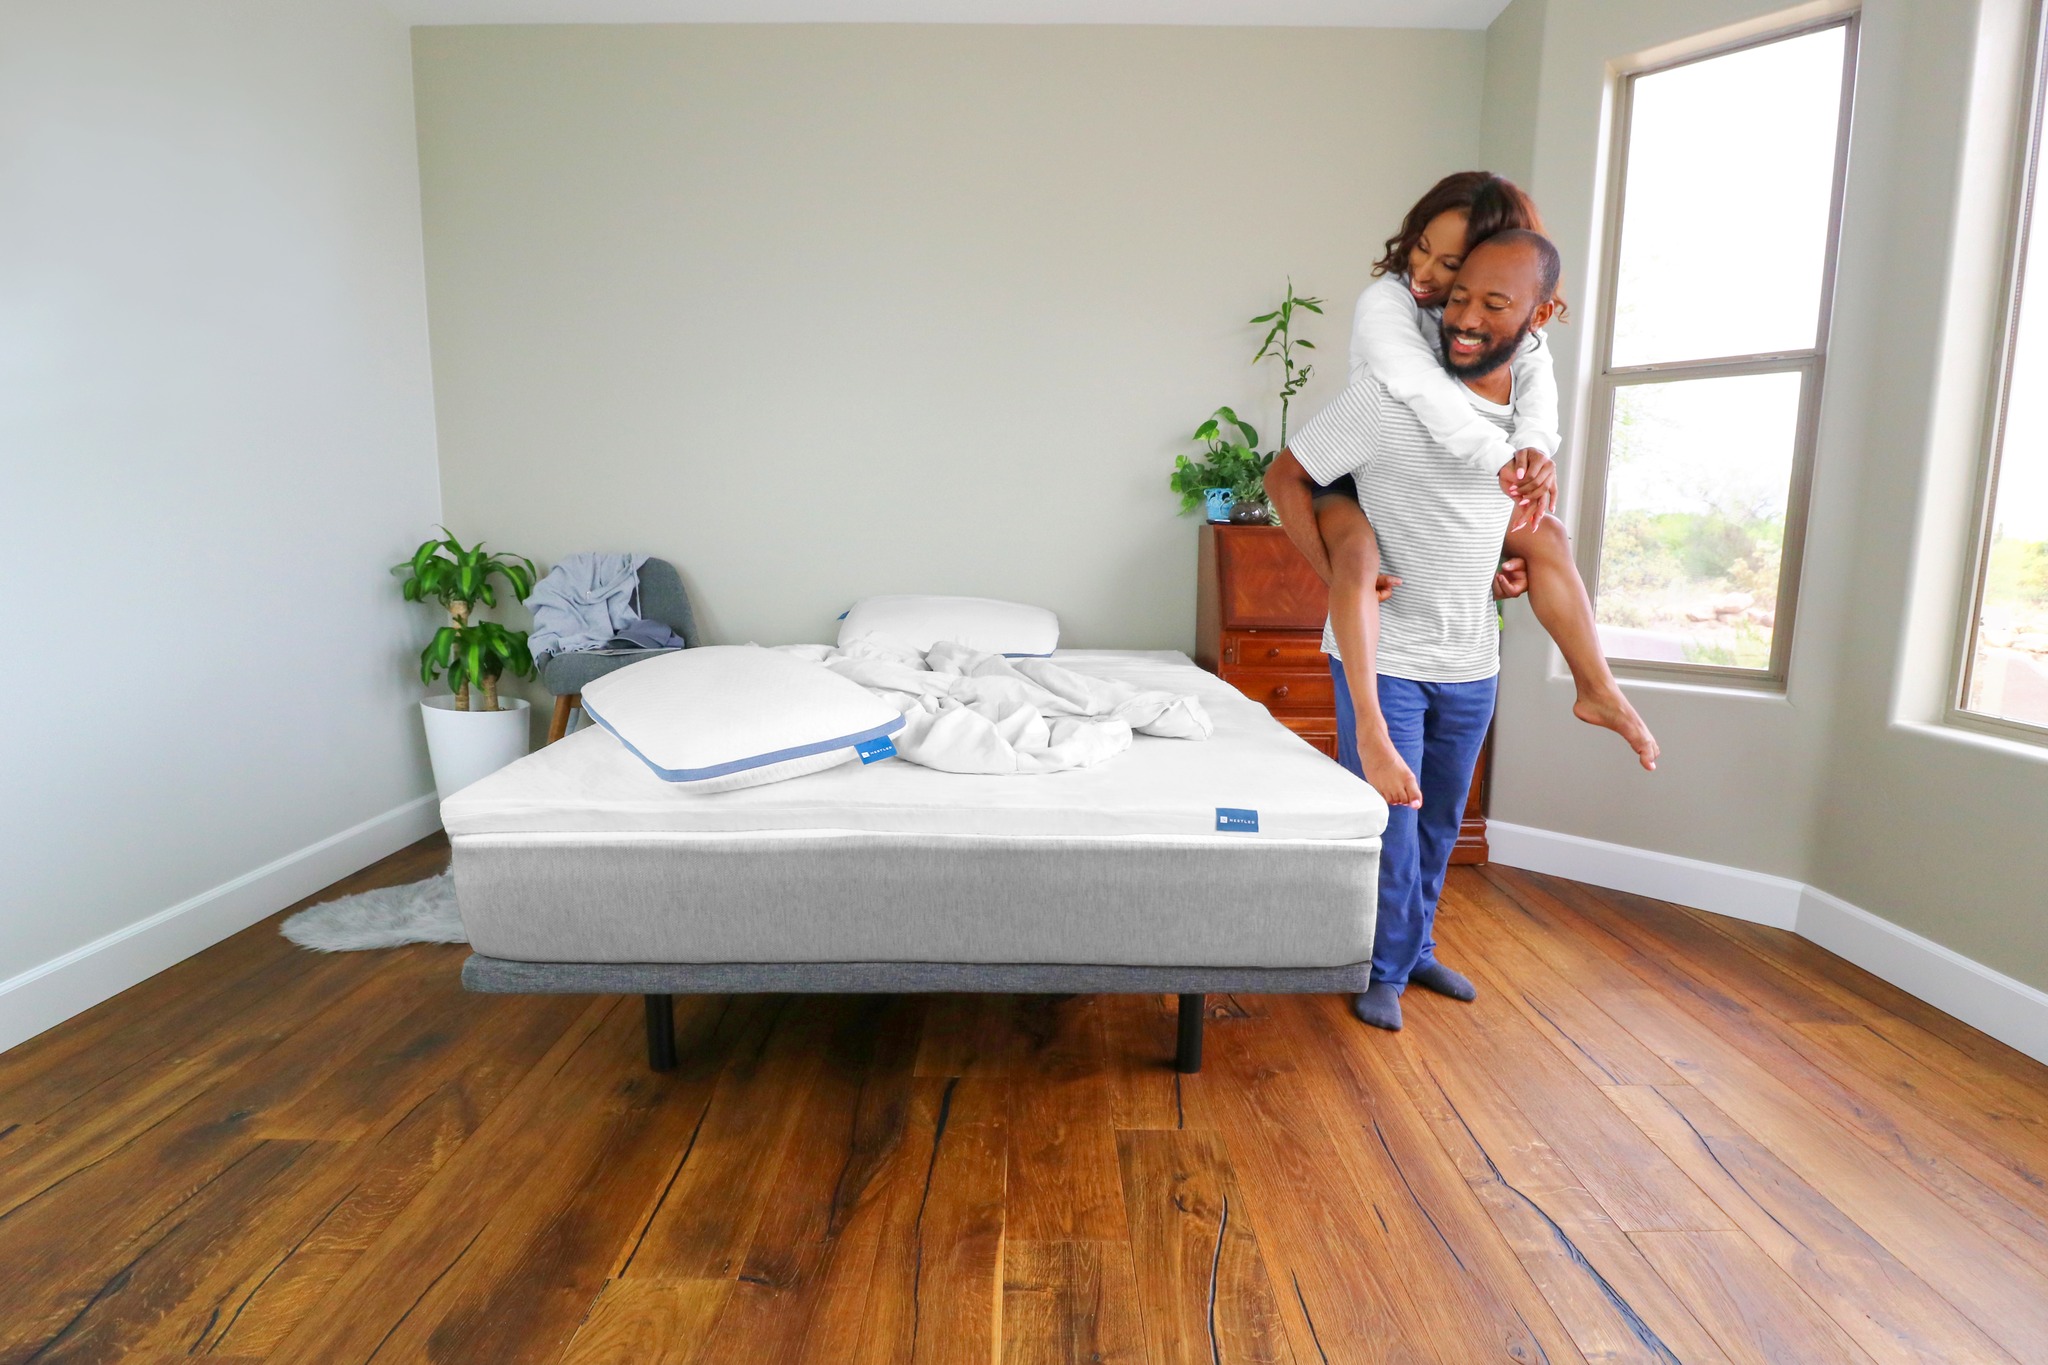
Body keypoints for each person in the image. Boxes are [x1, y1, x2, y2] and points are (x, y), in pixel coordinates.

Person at [1266, 229, 1568, 1031]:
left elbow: (1485, 526)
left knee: (1439, 824)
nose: (1464, 314)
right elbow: (1287, 474)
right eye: (1456, 293)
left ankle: (1417, 946)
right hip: (1387, 656)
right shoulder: (1384, 397)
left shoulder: (1524, 430)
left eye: (1492, 303)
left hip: (1472, 658)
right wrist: (1335, 572)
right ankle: (1380, 966)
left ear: (1537, 317)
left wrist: (1510, 565)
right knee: (1390, 826)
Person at [1285, 173, 1657, 812]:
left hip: (1465, 623)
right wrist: (1502, 457)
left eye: (1451, 265)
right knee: (1358, 556)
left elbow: (1538, 380)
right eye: (1421, 249)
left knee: (1551, 537)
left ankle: (1596, 685)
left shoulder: (1506, 332)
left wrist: (1536, 451)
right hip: (1351, 474)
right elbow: (1422, 393)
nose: (1423, 272)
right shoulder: (1392, 304)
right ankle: (1371, 729)